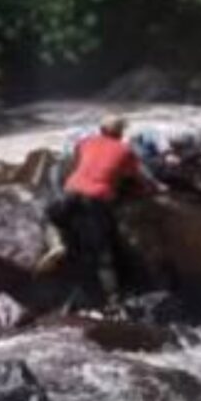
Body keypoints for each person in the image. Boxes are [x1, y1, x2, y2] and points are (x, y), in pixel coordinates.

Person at [37, 114, 158, 309]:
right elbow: (138, 177)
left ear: (101, 130)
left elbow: (77, 164)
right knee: (103, 252)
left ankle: (57, 244)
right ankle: (113, 298)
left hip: (71, 191)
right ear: (120, 133)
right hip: (97, 199)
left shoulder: (85, 142)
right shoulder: (126, 150)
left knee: (49, 217)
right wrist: (154, 188)